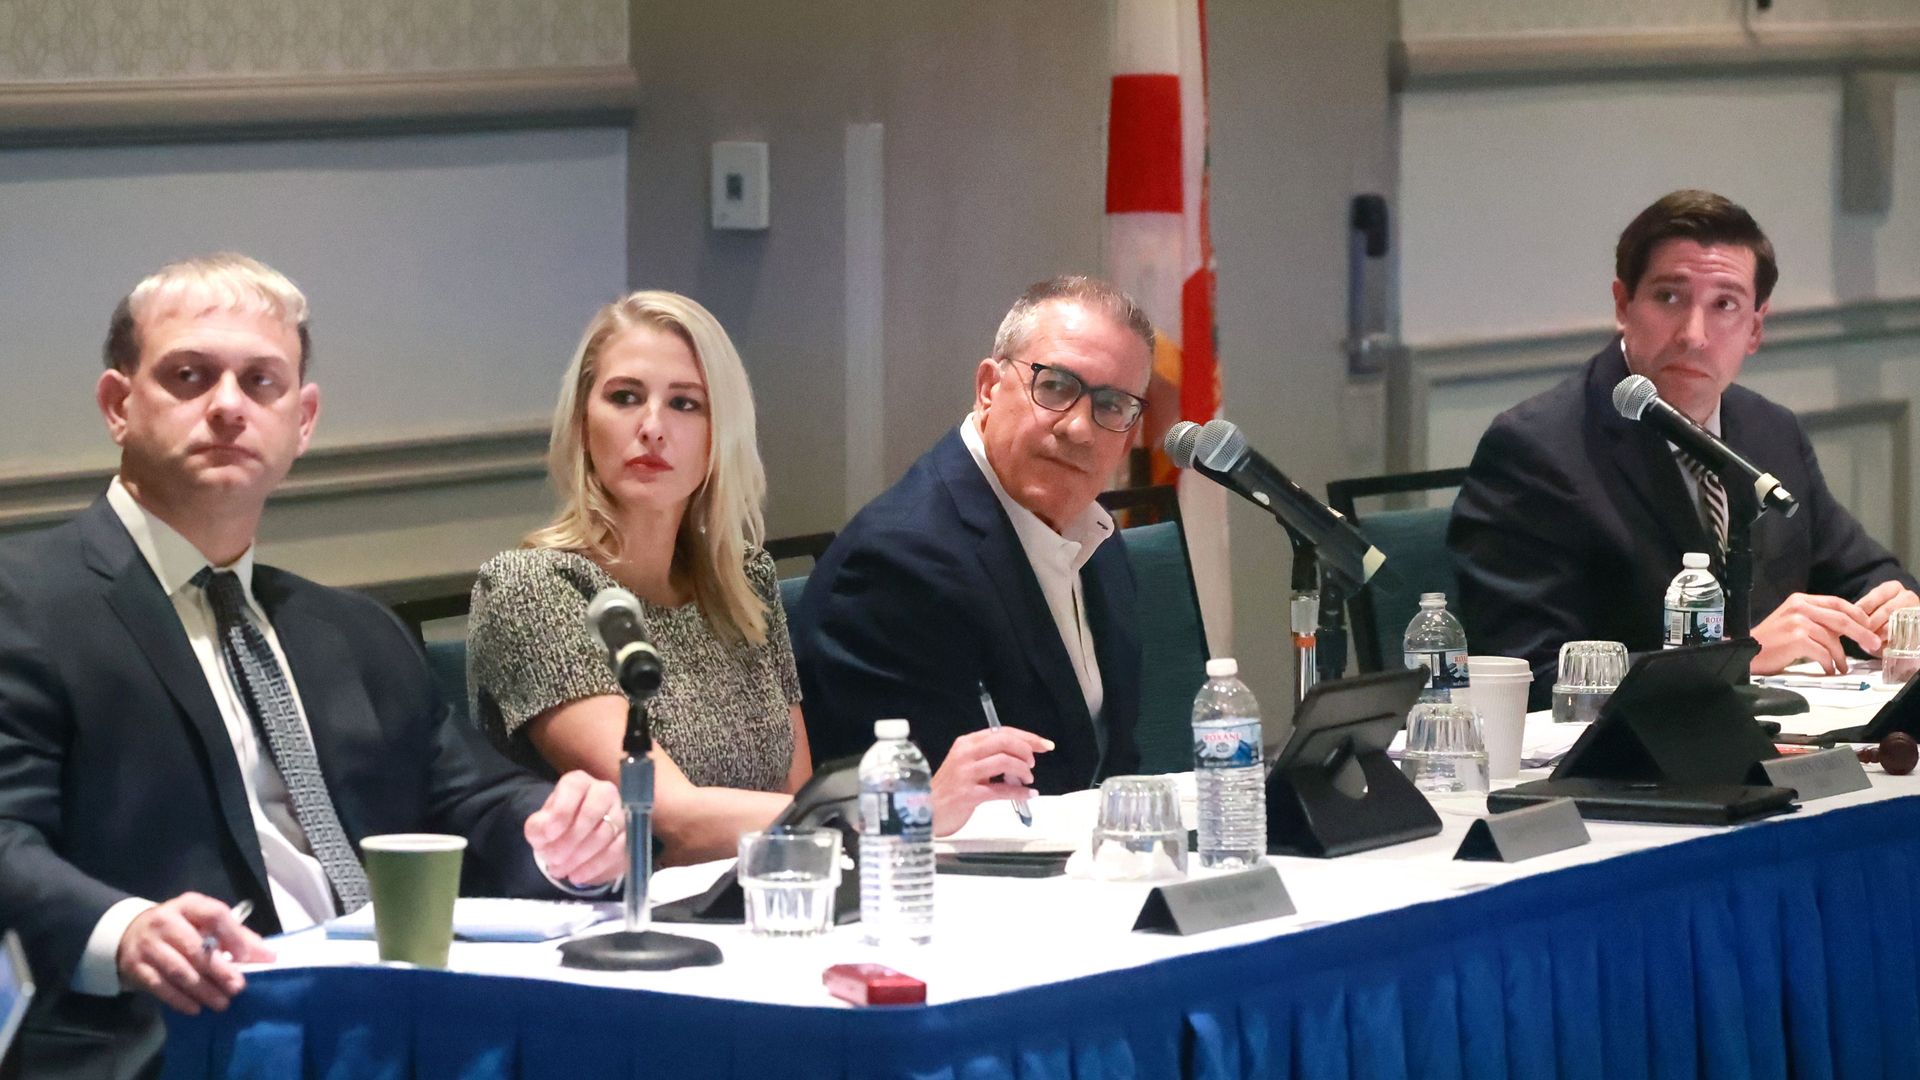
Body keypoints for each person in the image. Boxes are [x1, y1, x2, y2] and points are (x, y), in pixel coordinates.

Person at [0, 255, 627, 1080]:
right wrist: (125, 931)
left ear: (302, 420)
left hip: (383, 1025)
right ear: (119, 406)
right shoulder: (25, 601)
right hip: (168, 1036)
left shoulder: (354, 630)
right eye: (189, 376)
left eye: (260, 382)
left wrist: (561, 836)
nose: (227, 406)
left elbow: (472, 800)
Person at [1449, 190, 1920, 703]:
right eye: (1669, 297)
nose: (1694, 335)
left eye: (1725, 305)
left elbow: (1864, 573)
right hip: (1618, 768)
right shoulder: (1535, 450)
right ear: (1624, 305)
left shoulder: (1770, 431)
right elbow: (1530, 673)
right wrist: (1738, 654)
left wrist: (1895, 612)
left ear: (1755, 329)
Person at [468, 291, 814, 867]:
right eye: (625, 397)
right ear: (583, 422)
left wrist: (830, 820)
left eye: (685, 404)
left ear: (718, 433)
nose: (652, 427)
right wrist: (885, 810)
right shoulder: (530, 590)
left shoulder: (744, 581)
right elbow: (667, 817)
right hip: (609, 921)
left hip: (755, 903)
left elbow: (793, 796)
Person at [796, 275, 1149, 798]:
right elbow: (931, 814)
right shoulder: (895, 562)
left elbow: (1111, 758)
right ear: (988, 389)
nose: (1080, 428)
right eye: (1055, 386)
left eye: (1112, 405)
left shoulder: (1097, 538)